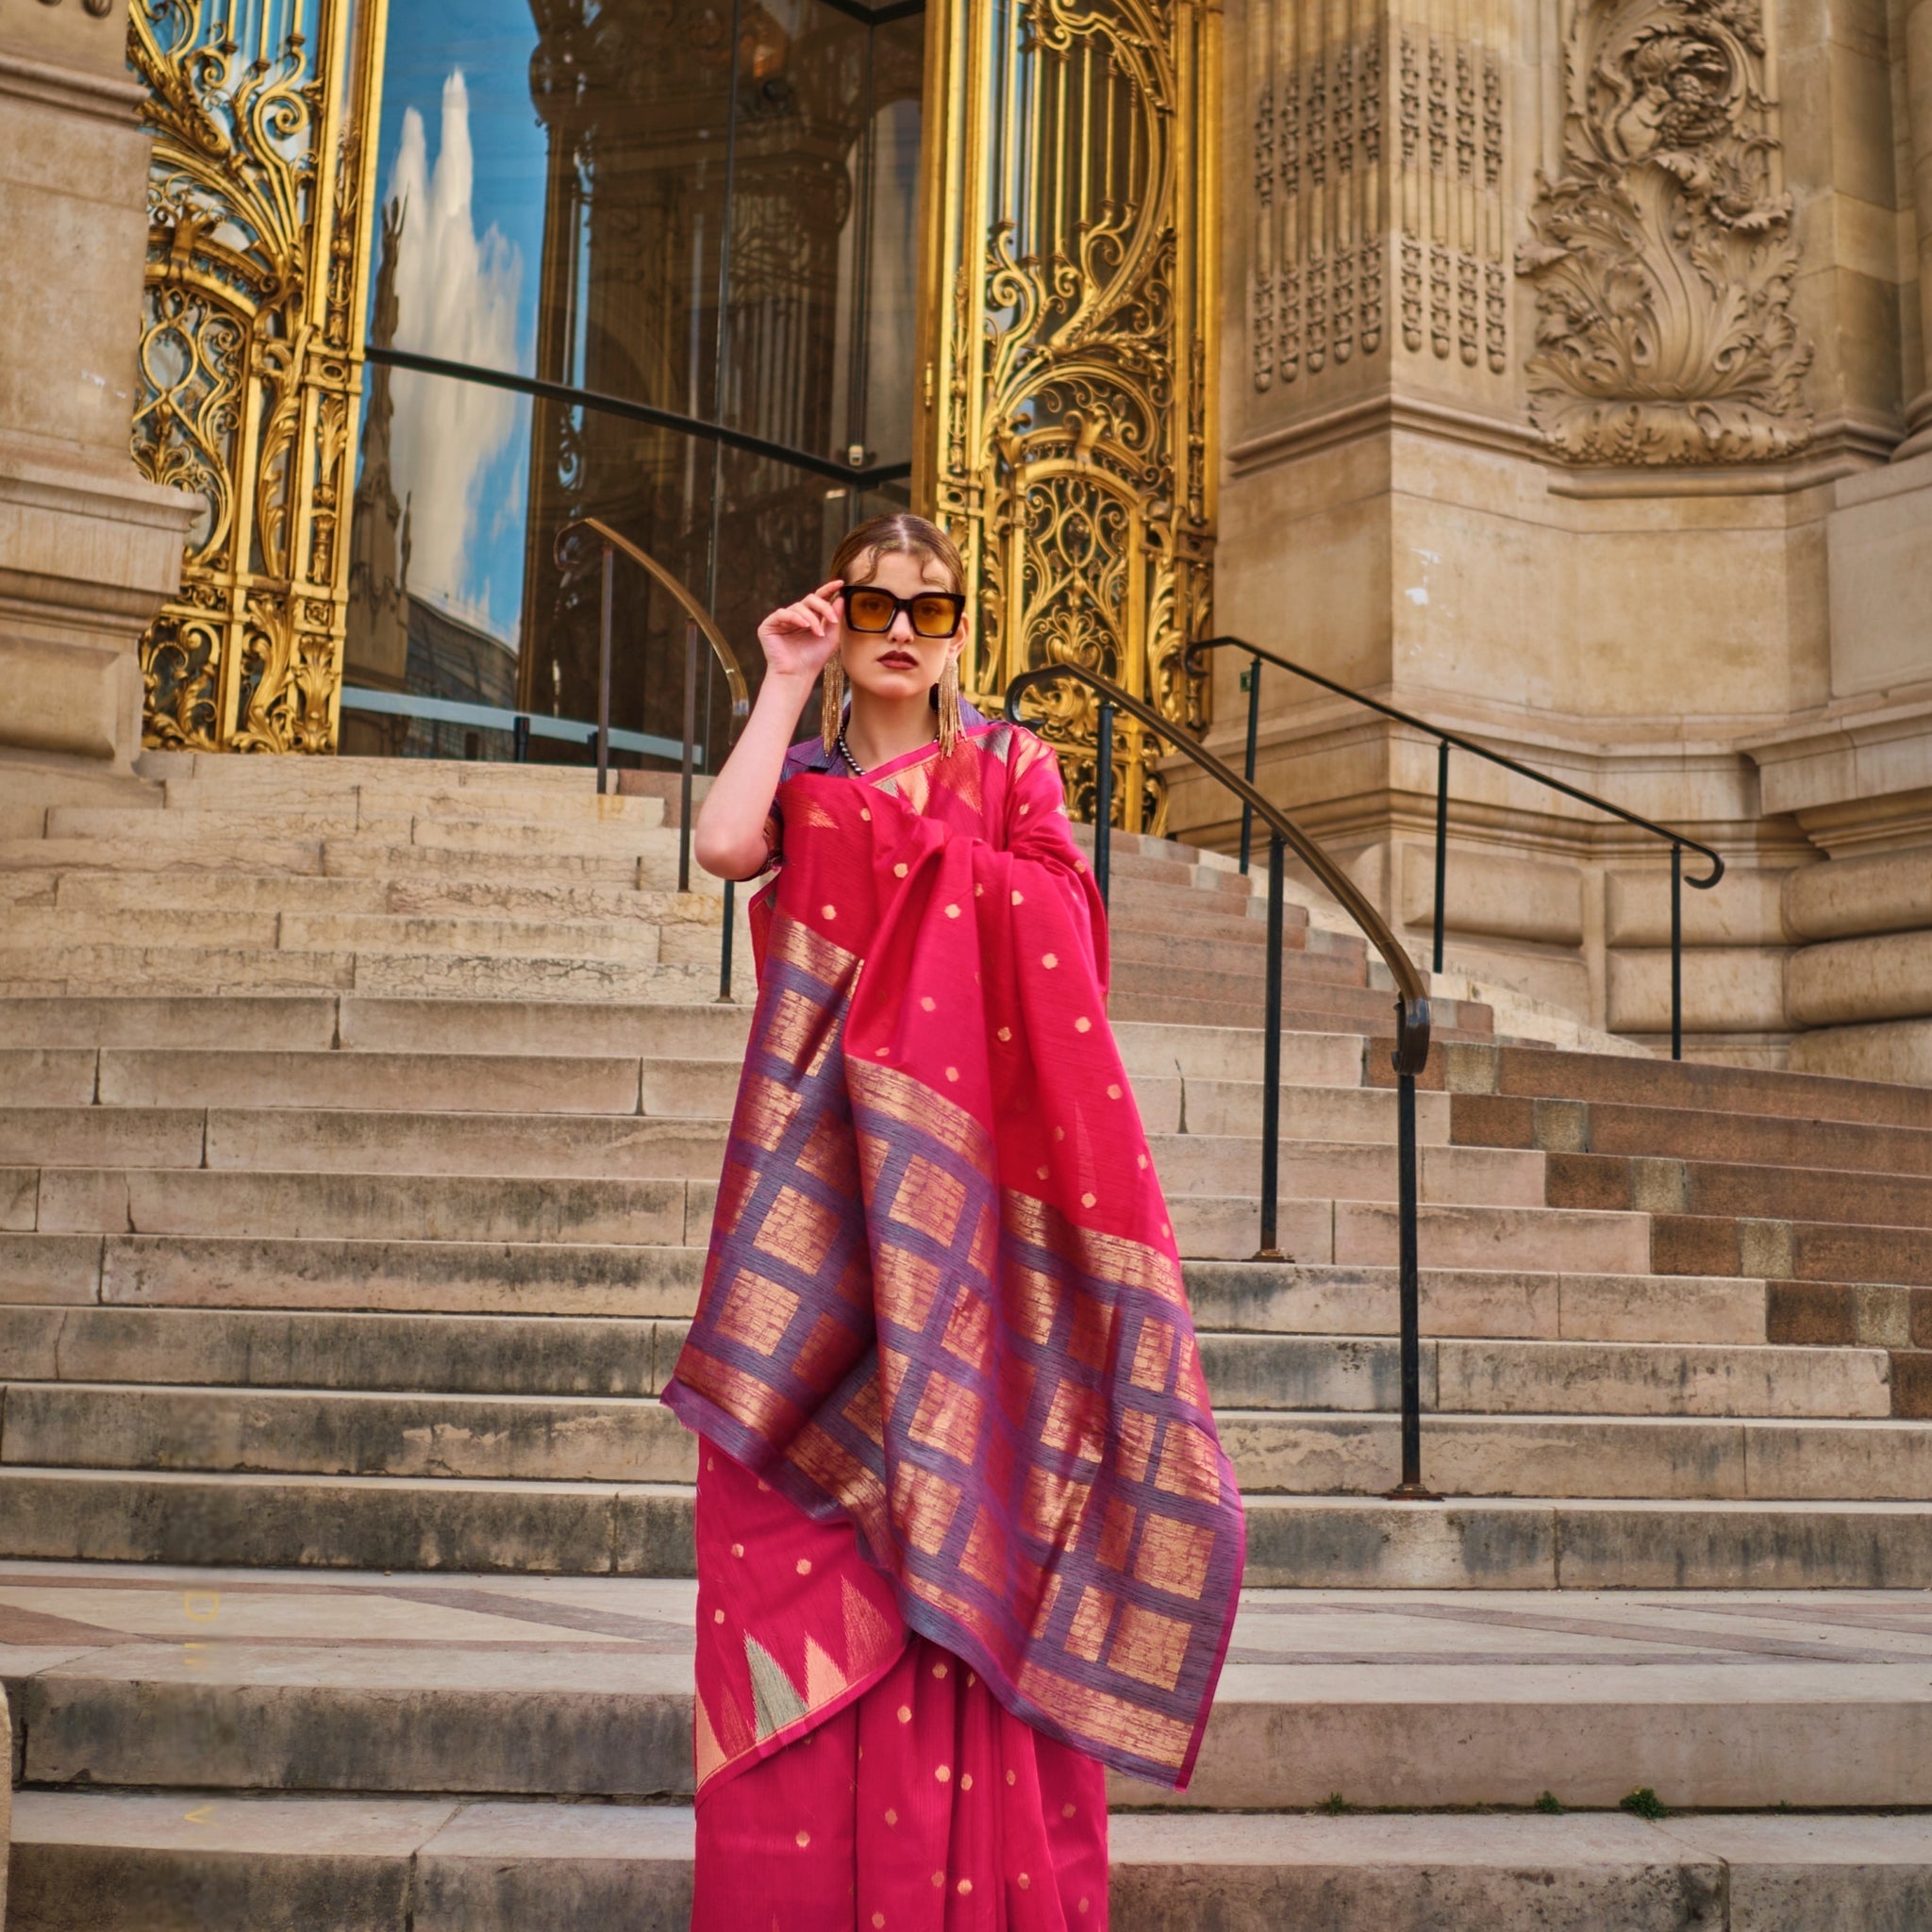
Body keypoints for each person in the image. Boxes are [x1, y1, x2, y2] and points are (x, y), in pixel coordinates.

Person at [666, 511, 1244, 1930]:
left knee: (969, 1478)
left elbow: (1066, 924)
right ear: (841, 616)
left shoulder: (1010, 770)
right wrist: (784, 676)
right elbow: (725, 842)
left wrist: (935, 868)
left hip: (968, 1216)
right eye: (874, 607)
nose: (904, 630)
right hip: (816, 1205)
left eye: (934, 609)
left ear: (965, 632)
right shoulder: (803, 782)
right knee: (779, 1514)